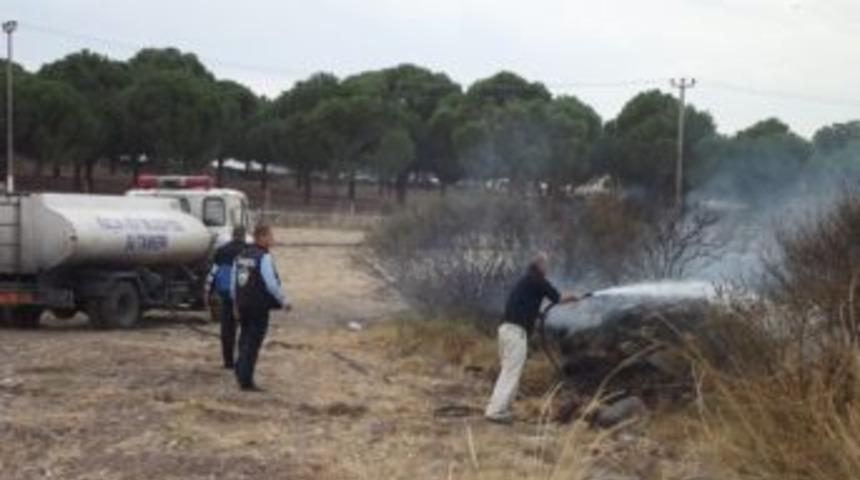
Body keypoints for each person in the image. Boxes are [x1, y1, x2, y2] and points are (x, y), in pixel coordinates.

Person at [485, 252, 579, 423]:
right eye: (546, 265)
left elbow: (525, 305)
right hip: (515, 333)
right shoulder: (537, 281)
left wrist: (536, 315)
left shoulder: (527, 280)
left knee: (509, 371)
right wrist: (573, 297)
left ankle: (501, 408)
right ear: (540, 266)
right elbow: (558, 298)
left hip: (506, 330)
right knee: (510, 372)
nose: (548, 269)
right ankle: (495, 411)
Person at [231, 225, 290, 392]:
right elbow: (271, 284)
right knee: (253, 343)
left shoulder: (241, 255)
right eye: (270, 236)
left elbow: (233, 281)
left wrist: (235, 302)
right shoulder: (263, 257)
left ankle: (239, 370)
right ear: (261, 237)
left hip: (242, 303)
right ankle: (246, 381)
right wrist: (284, 300)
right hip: (258, 305)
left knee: (243, 339)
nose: (273, 239)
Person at [206, 226, 246, 369]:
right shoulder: (248, 251)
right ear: (244, 235)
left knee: (227, 328)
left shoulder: (222, 251)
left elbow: (213, 272)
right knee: (245, 329)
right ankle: (243, 359)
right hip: (243, 294)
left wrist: (209, 292)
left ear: (232, 235)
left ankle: (228, 362)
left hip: (225, 293)